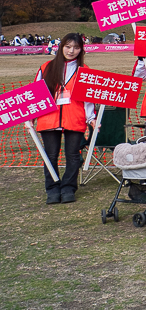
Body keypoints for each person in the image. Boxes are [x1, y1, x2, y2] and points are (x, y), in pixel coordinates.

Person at [34, 33, 95, 204]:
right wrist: (30, 117)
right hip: (48, 118)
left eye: (76, 47)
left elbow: (88, 98)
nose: (71, 51)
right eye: (68, 46)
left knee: (73, 155)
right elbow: (36, 93)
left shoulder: (84, 70)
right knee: (50, 155)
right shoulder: (46, 67)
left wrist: (91, 118)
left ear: (81, 50)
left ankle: (68, 188)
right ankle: (52, 189)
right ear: (61, 47)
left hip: (74, 117)